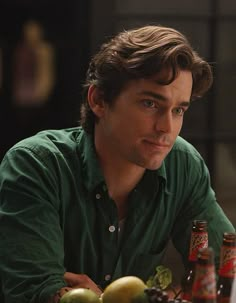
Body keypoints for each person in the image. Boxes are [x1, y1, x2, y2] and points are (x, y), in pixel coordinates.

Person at [0, 25, 235, 303]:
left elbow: (226, 269)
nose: (167, 127)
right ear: (99, 100)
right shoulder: (36, 165)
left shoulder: (183, 164)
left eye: (178, 110)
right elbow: (35, 294)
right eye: (150, 103)